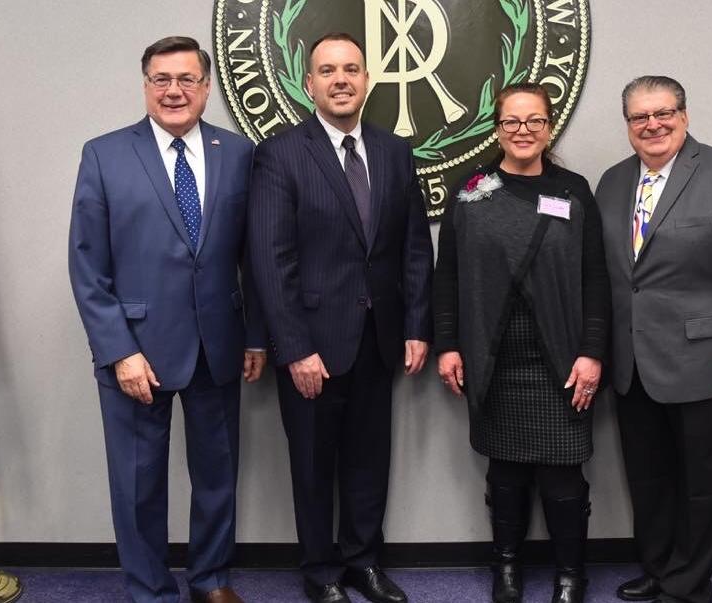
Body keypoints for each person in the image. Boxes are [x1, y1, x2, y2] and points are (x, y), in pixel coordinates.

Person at [68, 36, 266, 603]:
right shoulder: (104, 154)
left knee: (217, 475)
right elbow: (86, 262)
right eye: (161, 79)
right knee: (138, 484)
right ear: (145, 85)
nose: (174, 91)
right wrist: (118, 350)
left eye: (186, 79)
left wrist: (255, 335)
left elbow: (252, 255)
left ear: (206, 87)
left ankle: (210, 579)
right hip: (136, 351)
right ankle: (150, 589)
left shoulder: (238, 154)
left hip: (219, 344)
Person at [248, 33, 433, 603]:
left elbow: (413, 249)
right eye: (327, 70)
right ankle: (320, 571)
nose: (341, 79)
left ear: (368, 80)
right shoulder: (280, 154)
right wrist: (294, 347)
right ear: (309, 84)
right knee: (311, 466)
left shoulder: (395, 151)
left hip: (379, 340)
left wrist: (416, 326)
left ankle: (363, 561)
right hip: (312, 344)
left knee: (369, 462)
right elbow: (270, 260)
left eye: (351, 68)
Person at [595, 76, 712, 603]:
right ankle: (658, 568)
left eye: (663, 112)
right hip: (632, 363)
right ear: (627, 126)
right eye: (639, 117)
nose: (652, 124)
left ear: (685, 115)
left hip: (707, 362)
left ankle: (688, 583)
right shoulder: (611, 182)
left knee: (704, 484)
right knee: (648, 481)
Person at [433, 82, 611, 603]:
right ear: (497, 129)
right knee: (504, 466)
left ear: (550, 128)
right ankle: (505, 566)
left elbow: (596, 280)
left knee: (563, 473)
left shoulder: (575, 191)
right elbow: (448, 279)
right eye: (512, 121)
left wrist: (592, 351)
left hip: (562, 357)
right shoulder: (470, 192)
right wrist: (447, 344)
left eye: (534, 121)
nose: (523, 131)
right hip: (493, 357)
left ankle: (570, 574)